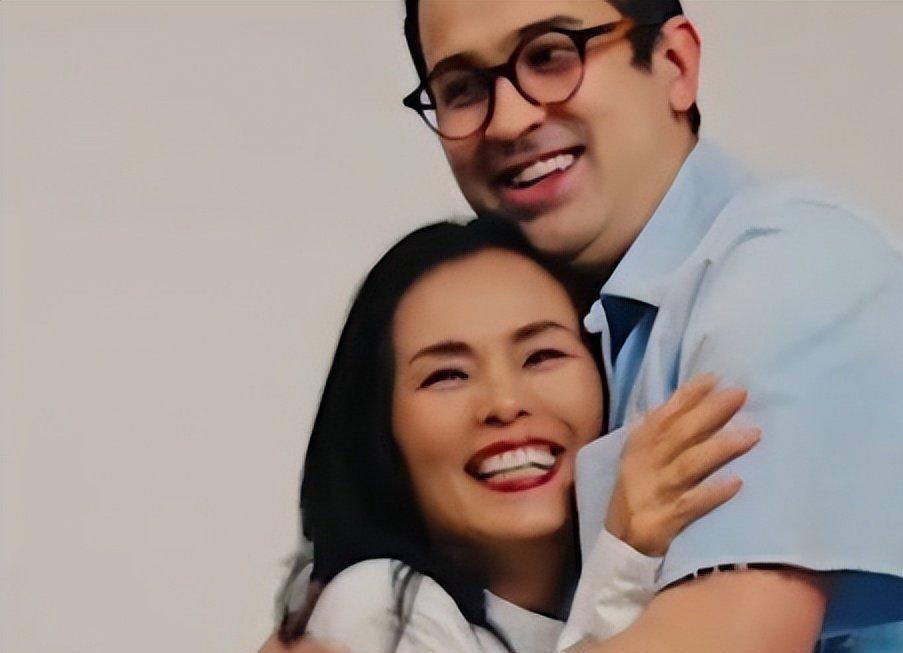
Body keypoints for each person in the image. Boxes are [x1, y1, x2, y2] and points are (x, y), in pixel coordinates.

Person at [397, 1, 903, 651]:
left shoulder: (788, 271)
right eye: (462, 88)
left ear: (674, 64)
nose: (508, 119)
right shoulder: (604, 329)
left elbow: (731, 636)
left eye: (550, 56)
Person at [262, 217, 764, 653]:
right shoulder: (379, 604)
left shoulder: (683, 593)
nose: (505, 403)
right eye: (447, 375)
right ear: (380, 428)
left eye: (542, 355)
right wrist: (623, 567)